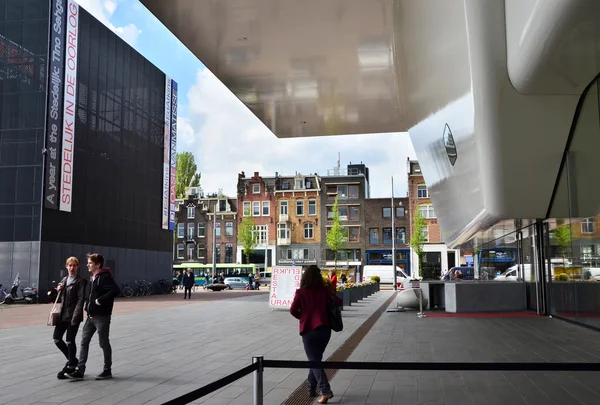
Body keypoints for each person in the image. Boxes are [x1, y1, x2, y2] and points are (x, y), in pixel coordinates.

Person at [290, 265, 342, 404]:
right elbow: (338, 301)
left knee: (314, 360)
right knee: (315, 360)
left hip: (308, 330)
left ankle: (325, 390)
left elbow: (293, 310)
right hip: (325, 330)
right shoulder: (324, 291)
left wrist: (303, 317)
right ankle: (311, 389)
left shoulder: (301, 292)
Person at [67, 253, 120, 381]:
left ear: (98, 264)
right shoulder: (92, 277)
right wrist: (87, 306)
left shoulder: (105, 277)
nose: (87, 265)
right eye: (88, 262)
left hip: (102, 316)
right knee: (84, 342)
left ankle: (107, 370)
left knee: (103, 343)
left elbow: (115, 290)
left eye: (90, 263)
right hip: (91, 316)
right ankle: (80, 370)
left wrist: (100, 300)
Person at [53, 256, 87, 379]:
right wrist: (59, 290)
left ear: (78, 267)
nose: (72, 267)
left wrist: (76, 316)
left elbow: (80, 299)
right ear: (66, 266)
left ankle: (72, 366)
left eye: (74, 265)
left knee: (69, 340)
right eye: (70, 265)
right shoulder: (64, 280)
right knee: (57, 338)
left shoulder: (80, 281)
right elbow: (60, 299)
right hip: (62, 315)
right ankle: (72, 361)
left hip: (73, 315)